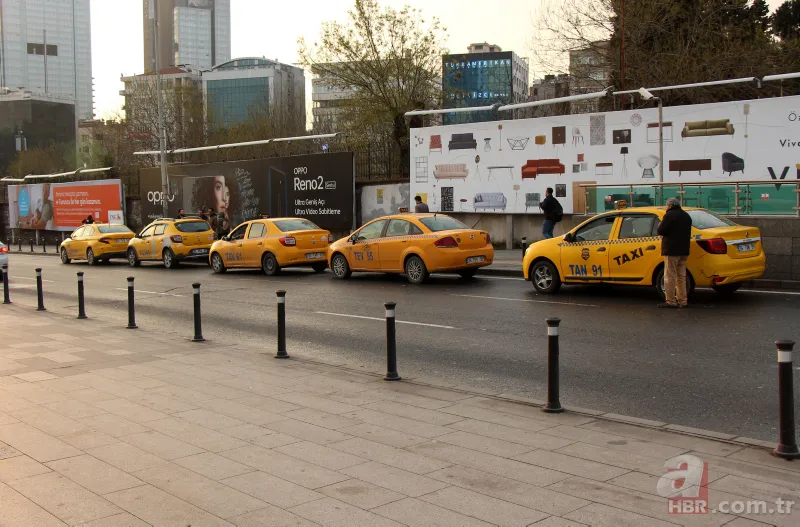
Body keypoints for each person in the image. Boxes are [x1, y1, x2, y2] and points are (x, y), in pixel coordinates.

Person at [657, 197, 693, 308]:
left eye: (667, 206)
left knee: (669, 276)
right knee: (681, 276)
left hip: (671, 250)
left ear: (670, 205)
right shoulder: (686, 216)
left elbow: (660, 230)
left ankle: (670, 301)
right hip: (684, 250)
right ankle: (683, 300)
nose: (666, 207)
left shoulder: (669, 215)